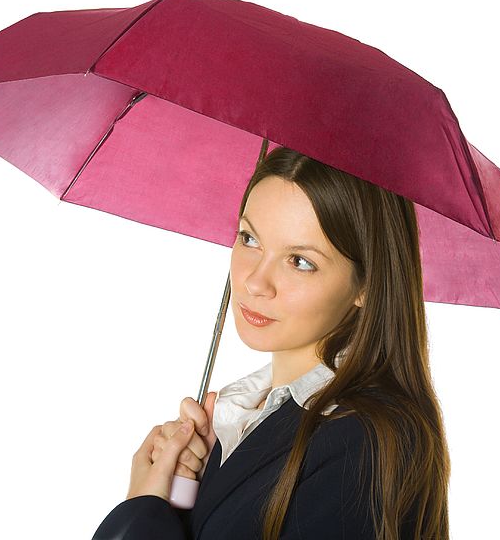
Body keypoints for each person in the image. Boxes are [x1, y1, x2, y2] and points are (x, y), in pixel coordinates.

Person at [91, 147, 450, 539]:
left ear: (365, 285)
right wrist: (179, 497)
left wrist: (142, 510)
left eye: (299, 261)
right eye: (249, 238)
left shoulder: (361, 447)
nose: (255, 282)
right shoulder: (246, 421)